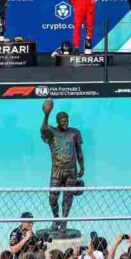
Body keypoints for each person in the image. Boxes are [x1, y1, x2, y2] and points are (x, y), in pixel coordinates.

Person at [40, 98, 84, 231]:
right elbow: (43, 129)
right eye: (62, 121)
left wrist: (82, 166)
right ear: (57, 121)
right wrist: (46, 114)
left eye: (67, 120)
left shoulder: (74, 132)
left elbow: (79, 151)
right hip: (57, 170)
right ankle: (56, 218)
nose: (65, 123)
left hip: (71, 170)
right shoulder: (52, 132)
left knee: (68, 196)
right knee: (53, 197)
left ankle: (64, 221)